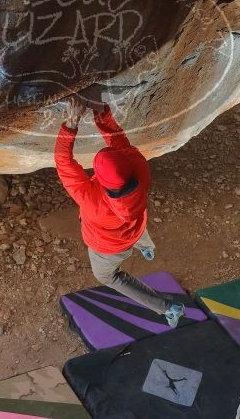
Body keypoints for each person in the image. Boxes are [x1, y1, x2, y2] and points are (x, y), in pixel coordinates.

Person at [54, 96, 185, 328]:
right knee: (135, 224)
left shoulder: (92, 200)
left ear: (101, 180)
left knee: (108, 277)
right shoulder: (139, 169)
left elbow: (64, 162)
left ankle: (166, 307)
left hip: (109, 248)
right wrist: (100, 110)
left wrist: (72, 122)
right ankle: (146, 248)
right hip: (134, 226)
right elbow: (119, 142)